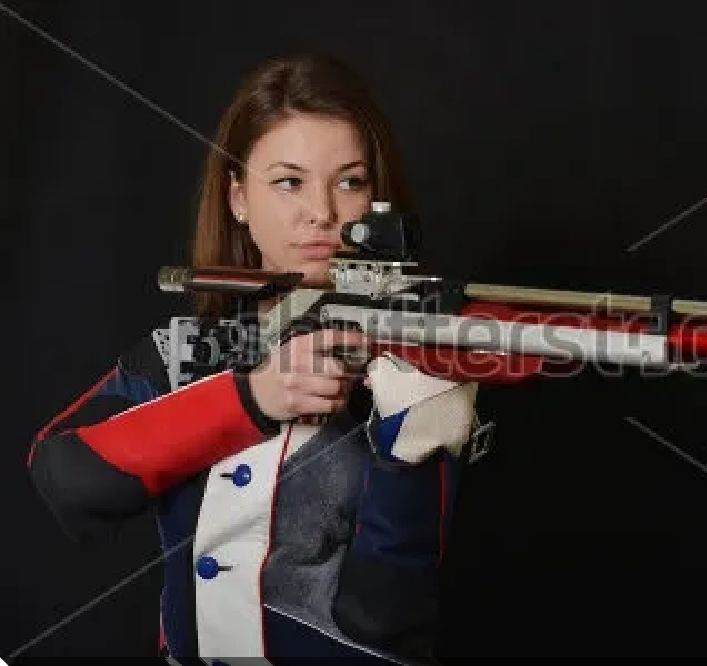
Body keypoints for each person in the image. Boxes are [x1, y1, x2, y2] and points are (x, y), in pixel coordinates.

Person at [27, 52, 481, 664]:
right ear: (239, 198)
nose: (322, 213)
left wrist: (412, 455)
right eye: (289, 181)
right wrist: (252, 398)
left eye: (350, 182)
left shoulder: (409, 365)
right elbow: (66, 475)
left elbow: (387, 619)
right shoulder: (186, 352)